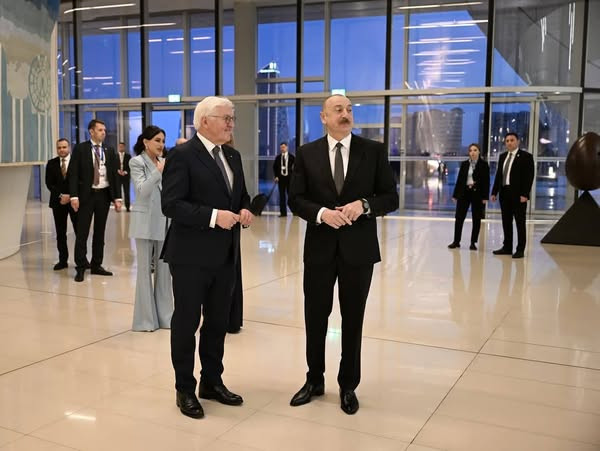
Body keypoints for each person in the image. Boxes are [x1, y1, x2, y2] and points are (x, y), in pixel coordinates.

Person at [288, 94, 398, 415]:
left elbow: (390, 197)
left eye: (349, 109)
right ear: (324, 117)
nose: (345, 114)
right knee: (315, 318)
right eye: (338, 110)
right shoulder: (307, 153)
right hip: (319, 249)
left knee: (353, 319)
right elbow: (296, 199)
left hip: (358, 251)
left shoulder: (373, 151)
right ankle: (314, 380)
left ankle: (348, 385)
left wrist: (364, 205)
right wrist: (322, 213)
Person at [161, 96, 253, 419]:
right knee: (187, 322)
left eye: (232, 118)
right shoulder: (182, 155)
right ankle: (184, 388)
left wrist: (245, 209)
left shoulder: (233, 155)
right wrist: (214, 216)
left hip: (225, 255)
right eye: (225, 118)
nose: (231, 123)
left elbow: (241, 196)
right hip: (190, 256)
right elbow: (171, 205)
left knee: (217, 322)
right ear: (204, 121)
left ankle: (211, 381)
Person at [129, 126, 173, 332]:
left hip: (165, 222)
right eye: (157, 140)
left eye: (163, 140)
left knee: (164, 272)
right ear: (146, 142)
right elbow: (142, 190)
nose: (161, 144)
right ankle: (145, 321)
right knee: (145, 272)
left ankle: (166, 318)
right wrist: (158, 172)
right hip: (144, 223)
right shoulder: (136, 162)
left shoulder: (165, 162)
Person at [69, 119, 122, 282]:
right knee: (82, 233)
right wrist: (74, 196)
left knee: (100, 232)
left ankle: (96, 265)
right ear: (91, 132)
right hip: (86, 196)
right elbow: (73, 173)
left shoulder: (109, 150)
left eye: (104, 130)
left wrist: (117, 198)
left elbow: (114, 175)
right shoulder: (81, 149)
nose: (103, 133)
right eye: (100, 130)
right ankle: (80, 267)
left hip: (103, 195)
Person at [490, 132, 535, 259]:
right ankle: (507, 247)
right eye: (507, 141)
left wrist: (525, 194)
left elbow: (529, 177)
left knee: (520, 223)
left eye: (512, 140)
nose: (509, 142)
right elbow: (499, 175)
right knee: (506, 222)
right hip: (504, 194)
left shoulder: (526, 157)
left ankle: (520, 249)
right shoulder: (503, 156)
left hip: (518, 195)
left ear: (518, 141)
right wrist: (494, 192)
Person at [448, 143, 490, 251]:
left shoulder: (484, 165)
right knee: (459, 217)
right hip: (464, 193)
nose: (472, 152)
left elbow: (486, 182)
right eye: (470, 150)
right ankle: (456, 241)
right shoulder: (464, 164)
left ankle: (473, 242)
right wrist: (455, 195)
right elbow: (460, 180)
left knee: (476, 218)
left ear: (479, 152)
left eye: (475, 150)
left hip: (477, 194)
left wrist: (485, 197)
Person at [45, 138, 78, 270]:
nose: (61, 150)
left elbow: (80, 181)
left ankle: (81, 260)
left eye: (64, 147)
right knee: (60, 233)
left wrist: (70, 196)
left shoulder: (76, 162)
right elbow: (49, 183)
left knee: (79, 232)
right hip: (58, 202)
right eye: (59, 148)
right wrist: (61, 195)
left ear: (69, 148)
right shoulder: (51, 163)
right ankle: (63, 260)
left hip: (74, 201)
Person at [273, 141, 295, 217]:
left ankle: (294, 211)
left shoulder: (292, 157)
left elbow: (296, 167)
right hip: (281, 179)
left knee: (290, 196)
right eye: (281, 147)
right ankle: (283, 213)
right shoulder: (278, 158)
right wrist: (276, 176)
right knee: (282, 196)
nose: (282, 149)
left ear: (287, 147)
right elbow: (275, 167)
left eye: (284, 147)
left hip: (289, 179)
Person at [117, 142, 131, 212]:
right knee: (118, 192)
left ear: (124, 147)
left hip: (126, 177)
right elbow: (113, 166)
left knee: (126, 192)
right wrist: (118, 171)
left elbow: (130, 166)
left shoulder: (128, 156)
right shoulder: (115, 156)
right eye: (120, 146)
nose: (121, 148)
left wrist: (125, 172)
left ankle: (127, 207)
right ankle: (118, 207)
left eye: (122, 146)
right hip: (118, 177)